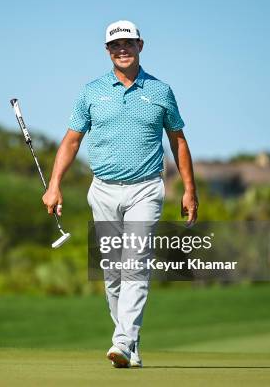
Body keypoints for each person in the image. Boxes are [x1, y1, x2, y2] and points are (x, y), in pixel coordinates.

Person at [42, 20, 198, 368]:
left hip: (146, 188)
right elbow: (71, 140)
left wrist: (189, 189)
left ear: (141, 45)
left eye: (128, 43)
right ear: (107, 50)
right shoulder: (90, 91)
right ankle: (131, 343)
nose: (122, 49)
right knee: (112, 273)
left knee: (136, 266)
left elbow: (178, 141)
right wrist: (54, 184)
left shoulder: (161, 91)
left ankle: (123, 341)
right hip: (102, 190)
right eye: (115, 45)